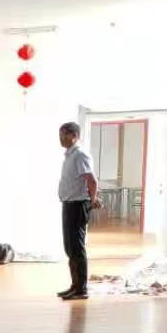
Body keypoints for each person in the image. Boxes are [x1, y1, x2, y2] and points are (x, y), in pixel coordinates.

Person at [57, 122, 101, 300]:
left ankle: (81, 289)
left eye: (64, 134)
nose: (60, 138)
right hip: (69, 204)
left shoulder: (80, 154)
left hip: (77, 205)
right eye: (60, 134)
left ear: (74, 135)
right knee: (69, 247)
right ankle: (74, 286)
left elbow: (91, 180)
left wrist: (93, 199)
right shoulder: (69, 155)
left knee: (77, 247)